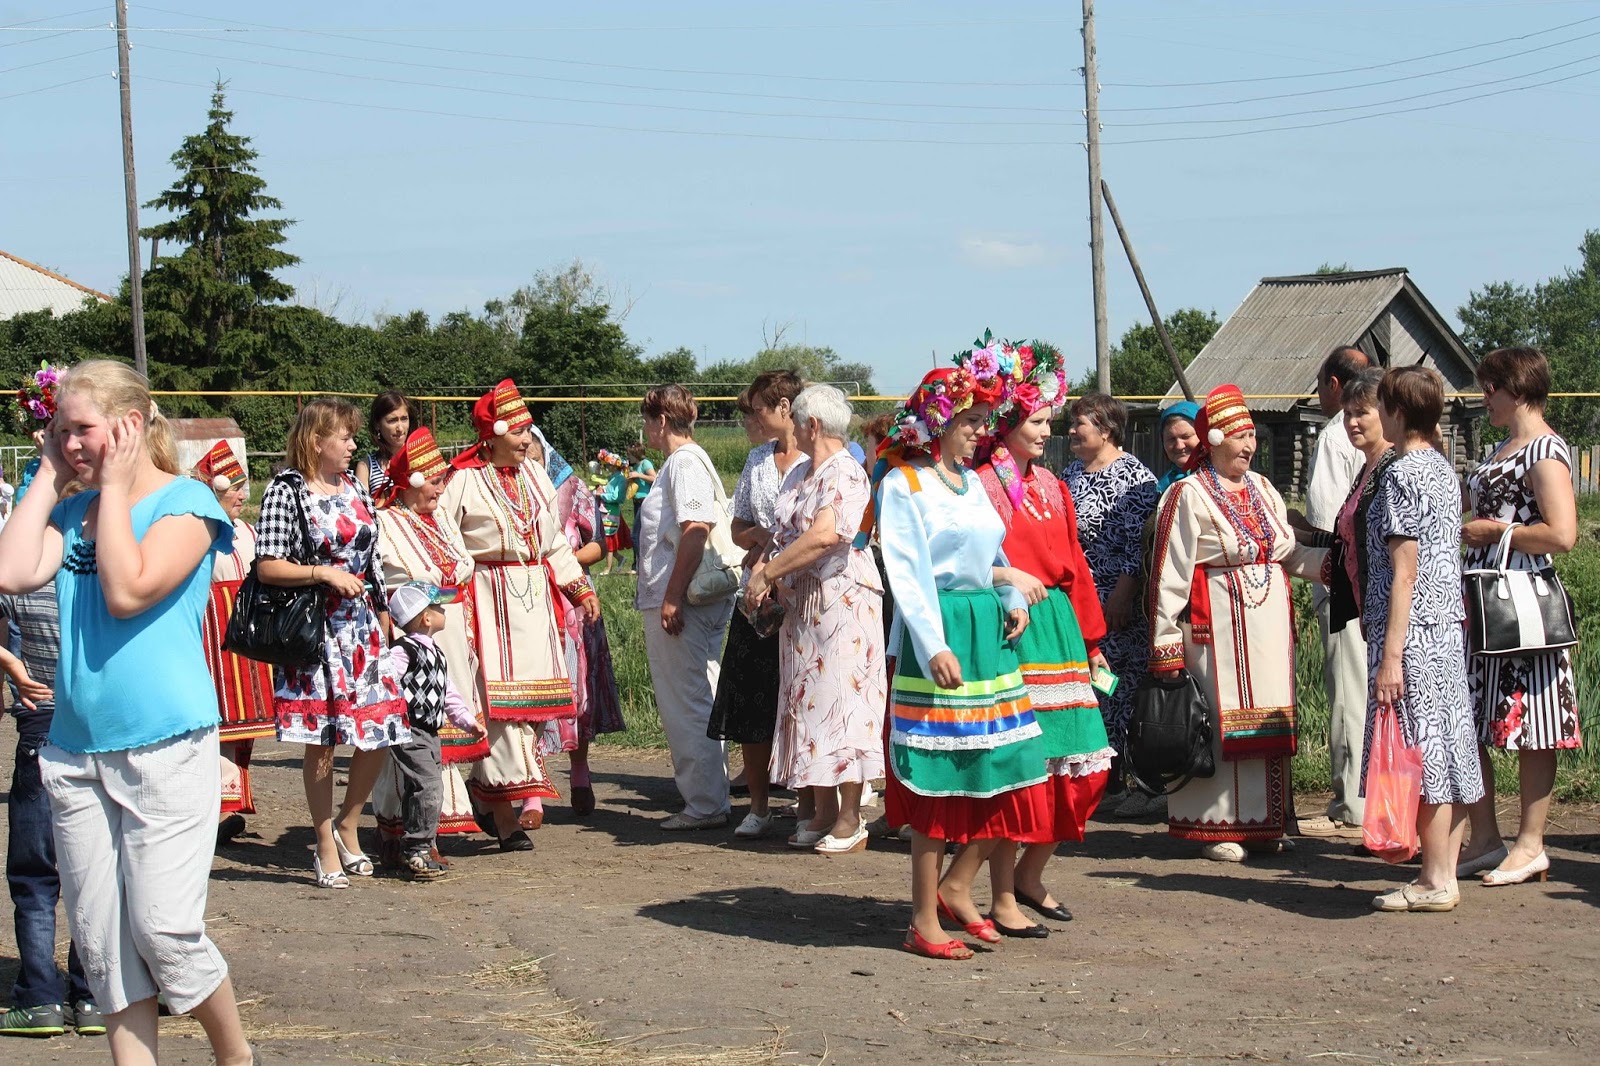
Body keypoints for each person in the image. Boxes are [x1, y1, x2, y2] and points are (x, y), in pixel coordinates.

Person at [0, 360, 252, 1065]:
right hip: (75, 750)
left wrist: (110, 489)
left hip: (164, 747)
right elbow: (12, 572)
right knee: (104, 945)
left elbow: (127, 590)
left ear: (130, 424)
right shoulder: (73, 508)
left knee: (164, 932)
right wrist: (49, 475)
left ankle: (235, 1055)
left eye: (82, 429)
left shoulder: (189, 504)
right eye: (60, 430)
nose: (70, 442)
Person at [868, 364, 1049, 961]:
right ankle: (923, 918)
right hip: (942, 631)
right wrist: (932, 644)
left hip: (984, 635)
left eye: (983, 421)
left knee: (1005, 765)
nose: (979, 431)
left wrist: (1009, 594)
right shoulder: (906, 484)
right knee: (940, 775)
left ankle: (957, 886)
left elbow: (987, 556)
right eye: (969, 420)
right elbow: (908, 571)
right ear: (938, 421)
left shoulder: (971, 482)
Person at [1148, 385, 1328, 862]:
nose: (1250, 445)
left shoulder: (1263, 489)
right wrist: (1166, 643)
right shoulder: (1186, 494)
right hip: (1215, 632)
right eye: (1240, 436)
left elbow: (1287, 552)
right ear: (1214, 439)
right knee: (1218, 720)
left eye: (1252, 436)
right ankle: (1215, 827)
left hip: (1267, 629)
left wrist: (1341, 565)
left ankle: (1265, 823)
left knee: (1268, 719)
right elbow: (1169, 571)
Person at [973, 343, 1114, 931]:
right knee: (1024, 767)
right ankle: (1003, 895)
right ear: (1007, 424)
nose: (1047, 431)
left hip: (1059, 628)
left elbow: (1075, 564)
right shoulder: (983, 485)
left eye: (1048, 421)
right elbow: (971, 563)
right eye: (1036, 420)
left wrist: (1092, 641)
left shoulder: (1054, 485)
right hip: (1015, 627)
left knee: (1083, 769)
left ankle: (1031, 874)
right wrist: (1008, 589)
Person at [439, 380, 601, 847]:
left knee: (532, 710)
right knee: (497, 709)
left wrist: (576, 587)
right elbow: (442, 538)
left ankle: (488, 792)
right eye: (518, 432)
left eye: (529, 431)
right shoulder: (463, 479)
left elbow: (553, 541)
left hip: (532, 600)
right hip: (487, 600)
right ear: (492, 437)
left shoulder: (533, 475)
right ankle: (503, 812)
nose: (528, 440)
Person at [257, 398, 407, 889]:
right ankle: (324, 841)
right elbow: (267, 565)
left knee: (380, 728)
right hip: (314, 630)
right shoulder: (287, 490)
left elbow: (373, 559)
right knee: (321, 740)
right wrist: (322, 574)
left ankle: (348, 822)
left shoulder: (355, 487)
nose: (352, 444)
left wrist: (383, 614)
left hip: (361, 629)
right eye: (344, 436)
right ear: (316, 440)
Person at [1361, 367, 1485, 911]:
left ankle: (1435, 880)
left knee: (1422, 753)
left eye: (1382, 406)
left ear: (1397, 412)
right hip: (1444, 631)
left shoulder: (1403, 474)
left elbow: (1404, 571)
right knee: (1447, 749)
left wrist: (1391, 656)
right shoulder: (1440, 467)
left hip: (1412, 634)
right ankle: (1443, 874)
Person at [1458, 347, 1581, 886]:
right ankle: (1486, 838)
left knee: (1533, 722)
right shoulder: (1501, 447)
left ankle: (1531, 844)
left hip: (1522, 602)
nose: (1485, 397)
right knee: (1470, 716)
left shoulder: (1545, 450)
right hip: (1483, 599)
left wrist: (1496, 532)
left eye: (1491, 388)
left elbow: (1563, 534)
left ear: (1519, 388)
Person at [745, 384, 886, 854]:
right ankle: (822, 809)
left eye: (797, 420)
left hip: (840, 602)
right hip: (802, 608)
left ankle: (851, 816)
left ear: (813, 424)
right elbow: (782, 533)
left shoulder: (845, 472)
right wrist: (765, 571)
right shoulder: (801, 472)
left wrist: (769, 573)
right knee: (810, 703)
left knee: (842, 700)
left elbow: (826, 535)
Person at [373, 427, 487, 863]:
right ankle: (400, 827)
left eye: (443, 480)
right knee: (408, 728)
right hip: (410, 637)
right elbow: (391, 581)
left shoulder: (440, 520)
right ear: (412, 481)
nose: (441, 488)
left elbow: (461, 567)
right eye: (435, 481)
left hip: (449, 630)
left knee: (439, 723)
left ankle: (424, 828)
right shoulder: (386, 521)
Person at [0, 577, 102, 1039]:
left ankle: (40, 997)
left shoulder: (21, 575)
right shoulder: (103, 570)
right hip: (100, 733)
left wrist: (9, 663)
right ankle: (93, 994)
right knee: (95, 872)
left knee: (34, 875)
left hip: (40, 729)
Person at [635, 384, 737, 830]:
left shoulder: (683, 462)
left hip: (685, 601)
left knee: (687, 701)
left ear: (661, 421)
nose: (645, 429)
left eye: (647, 420)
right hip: (695, 598)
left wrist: (672, 595)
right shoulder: (686, 462)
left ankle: (705, 803)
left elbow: (696, 529)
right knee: (700, 696)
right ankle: (710, 795)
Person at [711, 369, 806, 841]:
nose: (753, 418)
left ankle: (809, 800)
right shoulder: (757, 458)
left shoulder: (819, 456)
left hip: (804, 591)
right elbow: (736, 526)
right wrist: (763, 537)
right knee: (752, 696)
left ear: (785, 407)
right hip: (758, 593)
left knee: (803, 695)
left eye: (759, 409)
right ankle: (759, 804)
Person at [1061, 393, 1160, 812]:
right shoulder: (1070, 473)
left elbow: (1139, 545)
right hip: (1075, 604)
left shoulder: (1134, 477)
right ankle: (1086, 775)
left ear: (1105, 429)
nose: (1070, 431)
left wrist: (1121, 597)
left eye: (1079, 424)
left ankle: (1115, 777)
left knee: (1113, 688)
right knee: (1083, 687)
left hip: (1113, 608)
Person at [1293, 346, 1373, 841]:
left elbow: (1326, 521)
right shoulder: (1387, 435)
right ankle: (1372, 795)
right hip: (1375, 581)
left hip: (1341, 577)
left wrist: (1297, 531)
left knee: (1348, 688)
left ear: (1336, 385)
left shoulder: (1334, 433)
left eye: (1321, 384)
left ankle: (1350, 803)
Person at [530, 425, 624, 817]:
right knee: (531, 689)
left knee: (577, 688)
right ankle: (531, 786)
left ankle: (580, 772)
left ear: (543, 451)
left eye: (531, 450)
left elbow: (599, 545)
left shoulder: (572, 487)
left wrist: (560, 562)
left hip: (572, 602)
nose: (525, 456)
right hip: (526, 600)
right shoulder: (507, 490)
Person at [192, 441, 277, 846]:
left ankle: (232, 800)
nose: (243, 495)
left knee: (245, 724)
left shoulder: (247, 530)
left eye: (244, 487)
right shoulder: (199, 530)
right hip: (214, 631)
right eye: (236, 488)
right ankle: (218, 807)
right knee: (220, 720)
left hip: (246, 633)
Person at [384, 582, 488, 881]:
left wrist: (466, 720)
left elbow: (448, 692)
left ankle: (418, 846)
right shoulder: (404, 650)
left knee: (425, 786)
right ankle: (417, 848)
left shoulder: (436, 653)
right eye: (438, 607)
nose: (444, 610)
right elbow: (386, 678)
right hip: (410, 729)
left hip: (429, 731)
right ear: (426, 618)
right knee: (428, 785)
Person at [1324, 368, 1395, 642]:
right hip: (1371, 611)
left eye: (1361, 413)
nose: (1352, 422)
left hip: (1392, 613)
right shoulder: (1368, 467)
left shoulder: (1393, 468)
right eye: (1347, 414)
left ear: (1386, 413)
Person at [355, 391, 416, 500]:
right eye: (392, 421)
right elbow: (363, 507)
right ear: (377, 424)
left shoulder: (420, 457)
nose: (400, 428)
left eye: (404, 419)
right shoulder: (366, 466)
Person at [595, 449, 632, 576]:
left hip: (611, 511)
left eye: (609, 465)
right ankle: (620, 558)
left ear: (614, 466)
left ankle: (608, 567)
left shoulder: (620, 479)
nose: (607, 467)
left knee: (608, 539)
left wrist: (602, 495)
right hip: (605, 509)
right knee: (606, 538)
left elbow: (616, 496)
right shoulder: (612, 478)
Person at [1154, 401, 1201, 492]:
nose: (1179, 446)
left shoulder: (1223, 479)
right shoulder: (1162, 488)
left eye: (1186, 437)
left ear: (1203, 436)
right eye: (1171, 439)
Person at [626, 442, 655, 573]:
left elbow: (654, 478)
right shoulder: (635, 466)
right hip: (637, 501)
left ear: (636, 454)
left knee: (636, 534)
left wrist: (639, 475)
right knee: (639, 535)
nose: (628, 457)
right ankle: (637, 564)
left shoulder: (645, 464)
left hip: (645, 501)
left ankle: (640, 565)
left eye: (629, 454)